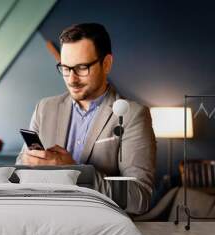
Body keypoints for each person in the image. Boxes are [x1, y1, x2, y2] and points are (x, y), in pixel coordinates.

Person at [16, 23, 156, 215]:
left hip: (98, 231)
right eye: (65, 68)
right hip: (43, 221)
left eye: (82, 68)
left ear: (106, 64)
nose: (71, 79)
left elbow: (139, 199)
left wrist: (74, 171)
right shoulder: (44, 108)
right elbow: (20, 172)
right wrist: (27, 165)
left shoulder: (133, 115)